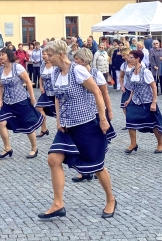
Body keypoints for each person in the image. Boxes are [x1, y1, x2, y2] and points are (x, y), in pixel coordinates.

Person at [39, 40, 116, 219]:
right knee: (53, 159)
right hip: (66, 127)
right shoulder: (56, 73)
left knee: (97, 165)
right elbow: (57, 98)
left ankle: (110, 199)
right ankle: (58, 204)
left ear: (60, 54)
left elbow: (97, 92)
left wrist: (103, 118)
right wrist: (58, 119)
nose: (46, 58)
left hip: (86, 124)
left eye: (49, 55)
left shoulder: (78, 70)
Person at [71, 48, 116, 182]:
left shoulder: (96, 74)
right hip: (82, 113)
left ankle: (98, 168)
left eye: (77, 59)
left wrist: (109, 110)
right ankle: (85, 171)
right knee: (83, 144)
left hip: (97, 112)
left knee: (97, 144)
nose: (75, 61)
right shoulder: (74, 73)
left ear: (84, 60)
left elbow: (104, 93)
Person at [0, 48, 43, 160]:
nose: (1, 57)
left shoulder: (17, 67)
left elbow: (28, 82)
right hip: (8, 101)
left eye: (3, 55)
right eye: (0, 55)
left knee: (27, 125)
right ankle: (7, 148)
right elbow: (0, 86)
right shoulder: (0, 70)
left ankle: (34, 148)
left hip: (21, 100)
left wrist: (32, 98)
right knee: (0, 123)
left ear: (9, 55)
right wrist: (0, 100)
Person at [122, 49, 162, 154]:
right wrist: (129, 99)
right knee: (130, 120)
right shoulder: (131, 71)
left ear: (138, 59)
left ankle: (160, 143)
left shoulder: (146, 72)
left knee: (153, 124)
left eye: (131, 57)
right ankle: (133, 143)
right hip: (135, 101)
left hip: (147, 101)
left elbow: (154, 87)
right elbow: (133, 87)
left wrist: (154, 102)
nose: (129, 59)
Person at [34, 50, 56, 137]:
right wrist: (41, 86)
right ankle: (44, 129)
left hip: (55, 92)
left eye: (44, 54)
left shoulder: (55, 64)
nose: (43, 56)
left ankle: (65, 129)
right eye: (42, 54)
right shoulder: (43, 64)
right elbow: (41, 77)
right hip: (46, 92)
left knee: (59, 112)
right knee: (38, 107)